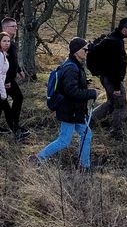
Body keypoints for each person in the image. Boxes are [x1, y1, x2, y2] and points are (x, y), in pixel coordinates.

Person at [30, 37, 98, 170]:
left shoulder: (74, 65)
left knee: (86, 134)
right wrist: (91, 93)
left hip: (75, 110)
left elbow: (71, 86)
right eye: (84, 49)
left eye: (87, 49)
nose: (87, 52)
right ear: (75, 51)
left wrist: (85, 84)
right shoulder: (71, 68)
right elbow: (71, 91)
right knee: (64, 140)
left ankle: (84, 165)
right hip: (69, 110)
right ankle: (38, 158)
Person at [90, 17, 127, 142]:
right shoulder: (116, 42)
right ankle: (116, 133)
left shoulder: (111, 38)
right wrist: (116, 87)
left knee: (111, 104)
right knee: (121, 106)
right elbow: (116, 66)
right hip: (112, 79)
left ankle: (89, 121)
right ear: (123, 29)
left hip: (106, 77)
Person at [0, 17, 29, 140]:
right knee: (18, 97)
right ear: (4, 28)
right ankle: (14, 125)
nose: (16, 28)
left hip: (9, 78)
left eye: (16, 26)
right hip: (4, 80)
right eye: (12, 26)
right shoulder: (1, 44)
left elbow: (12, 61)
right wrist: (6, 81)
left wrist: (19, 70)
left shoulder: (11, 43)